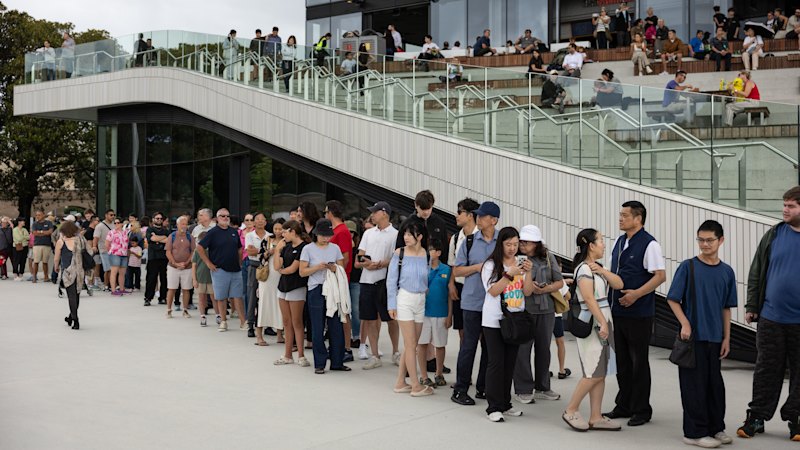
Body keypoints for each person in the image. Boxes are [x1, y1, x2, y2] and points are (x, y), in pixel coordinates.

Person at [737, 186, 800, 442]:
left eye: (791, 206)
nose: (784, 210)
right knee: (766, 369)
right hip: (771, 317)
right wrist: (752, 305)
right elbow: (756, 271)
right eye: (784, 205)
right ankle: (757, 417)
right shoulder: (774, 234)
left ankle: (795, 418)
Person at [667, 220, 736, 448]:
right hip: (693, 338)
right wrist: (685, 324)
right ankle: (694, 432)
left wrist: (727, 337)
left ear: (721, 240)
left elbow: (726, 307)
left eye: (709, 240)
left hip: (716, 338)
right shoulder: (688, 267)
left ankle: (716, 427)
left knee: (714, 385)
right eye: (701, 240)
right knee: (693, 386)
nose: (704, 244)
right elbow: (673, 299)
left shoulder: (727, 272)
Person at [604, 201, 666, 427]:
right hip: (617, 312)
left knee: (639, 362)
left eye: (625, 215)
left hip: (639, 313)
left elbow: (660, 276)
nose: (620, 219)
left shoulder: (650, 244)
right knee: (622, 361)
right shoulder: (620, 242)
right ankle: (624, 405)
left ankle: (642, 409)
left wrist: (636, 295)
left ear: (638, 219)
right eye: (620, 215)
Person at [562, 228, 625, 431]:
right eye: (601, 240)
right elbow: (588, 299)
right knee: (593, 370)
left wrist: (603, 270)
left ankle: (596, 416)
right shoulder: (583, 270)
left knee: (601, 369)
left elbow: (619, 283)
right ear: (591, 245)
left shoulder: (596, 268)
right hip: (594, 322)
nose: (604, 244)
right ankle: (571, 410)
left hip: (603, 319)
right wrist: (603, 323)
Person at [452, 201, 500, 406]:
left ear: (494, 220)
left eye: (482, 216)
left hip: (494, 302)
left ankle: (484, 387)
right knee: (468, 347)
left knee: (490, 348)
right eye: (477, 215)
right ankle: (460, 389)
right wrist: (478, 267)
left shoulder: (502, 242)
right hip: (471, 301)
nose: (477, 218)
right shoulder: (469, 242)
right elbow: (457, 271)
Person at [513, 225, 564, 404]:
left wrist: (546, 289)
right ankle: (523, 388)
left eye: (527, 242)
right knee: (523, 349)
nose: (523, 245)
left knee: (544, 348)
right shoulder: (518, 259)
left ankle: (543, 386)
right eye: (522, 242)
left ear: (537, 243)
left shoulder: (548, 257)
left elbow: (559, 281)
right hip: (524, 308)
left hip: (547, 308)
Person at [481, 227, 527, 422]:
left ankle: (505, 403)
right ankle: (493, 406)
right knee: (496, 363)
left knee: (510, 364)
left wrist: (528, 273)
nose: (512, 248)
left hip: (515, 319)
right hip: (494, 320)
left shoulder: (520, 263)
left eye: (516, 244)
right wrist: (510, 274)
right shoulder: (491, 265)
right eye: (508, 244)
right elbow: (492, 291)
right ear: (500, 244)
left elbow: (529, 291)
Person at [387, 220, 433, 396]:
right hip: (404, 299)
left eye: (409, 234)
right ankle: (415, 385)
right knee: (411, 344)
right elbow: (391, 281)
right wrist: (392, 304)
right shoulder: (399, 254)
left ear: (420, 237)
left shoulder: (426, 255)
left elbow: (426, 279)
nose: (405, 237)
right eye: (405, 234)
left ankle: (400, 382)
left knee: (411, 344)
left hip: (420, 300)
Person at [298, 219, 349, 374]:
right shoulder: (308, 248)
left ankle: (337, 361)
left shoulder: (335, 248)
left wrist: (333, 267)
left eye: (328, 235)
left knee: (336, 325)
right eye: (323, 235)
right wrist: (316, 267)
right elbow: (302, 272)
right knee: (317, 326)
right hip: (316, 288)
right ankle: (319, 363)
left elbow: (341, 267)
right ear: (316, 234)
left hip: (333, 288)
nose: (326, 238)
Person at [356, 201, 400, 369]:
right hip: (367, 280)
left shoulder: (396, 234)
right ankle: (374, 355)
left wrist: (383, 263)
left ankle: (396, 352)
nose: (372, 215)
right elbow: (360, 257)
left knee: (391, 318)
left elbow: (397, 258)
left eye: (374, 212)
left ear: (384, 213)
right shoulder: (368, 233)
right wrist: (366, 263)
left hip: (386, 282)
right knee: (370, 319)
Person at [196, 208, 244, 332]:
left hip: (235, 270)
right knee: (221, 298)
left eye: (227, 216)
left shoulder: (234, 232)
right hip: (220, 270)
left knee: (238, 297)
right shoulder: (212, 232)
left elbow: (239, 248)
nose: (225, 218)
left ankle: (243, 322)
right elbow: (200, 247)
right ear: (217, 218)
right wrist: (208, 263)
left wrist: (240, 263)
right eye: (222, 216)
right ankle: (223, 321)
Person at [273, 220, 310, 366]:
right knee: (286, 322)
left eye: (284, 231)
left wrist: (282, 270)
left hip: (297, 286)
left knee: (297, 322)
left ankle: (301, 355)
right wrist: (277, 250)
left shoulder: (304, 248)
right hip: (283, 286)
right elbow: (277, 266)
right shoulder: (286, 246)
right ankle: (288, 355)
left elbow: (292, 269)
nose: (282, 234)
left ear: (293, 231)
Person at [417, 238, 452, 388]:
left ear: (438, 252)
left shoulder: (447, 270)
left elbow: (451, 294)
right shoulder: (422, 269)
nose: (429, 253)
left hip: (441, 312)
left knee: (440, 344)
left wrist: (450, 315)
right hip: (423, 313)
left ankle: (439, 373)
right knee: (422, 343)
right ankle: (423, 375)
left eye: (431, 250)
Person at [324, 201, 354, 360]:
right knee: (335, 313)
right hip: (333, 277)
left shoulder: (342, 231)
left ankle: (347, 348)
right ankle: (338, 345)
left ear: (330, 213)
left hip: (339, 277)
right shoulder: (336, 230)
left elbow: (346, 257)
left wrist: (337, 273)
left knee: (343, 312)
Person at [448, 198, 480, 344]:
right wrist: (451, 284)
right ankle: (465, 363)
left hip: (479, 288)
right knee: (462, 330)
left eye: (460, 212)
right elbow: (452, 265)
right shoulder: (455, 238)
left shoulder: (484, 237)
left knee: (481, 331)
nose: (456, 215)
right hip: (460, 287)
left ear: (470, 215)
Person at [255, 220, 284, 345]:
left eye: (280, 229)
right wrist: (268, 253)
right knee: (263, 304)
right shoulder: (267, 240)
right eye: (276, 228)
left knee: (279, 305)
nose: (278, 231)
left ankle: (279, 334)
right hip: (267, 276)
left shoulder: (286, 241)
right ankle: (259, 336)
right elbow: (259, 257)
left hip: (280, 275)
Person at [54, 221, 87, 331]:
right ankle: (71, 317)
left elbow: (57, 258)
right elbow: (90, 251)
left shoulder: (61, 241)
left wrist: (56, 267)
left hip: (67, 271)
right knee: (76, 295)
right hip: (79, 270)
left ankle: (75, 319)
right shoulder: (81, 240)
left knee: (71, 296)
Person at [165, 216, 195, 319]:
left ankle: (185, 310)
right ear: (177, 225)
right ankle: (169, 310)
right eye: (182, 224)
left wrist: (186, 263)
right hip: (173, 267)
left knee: (186, 289)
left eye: (185, 224)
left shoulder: (190, 237)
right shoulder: (172, 236)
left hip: (187, 267)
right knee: (171, 288)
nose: (184, 226)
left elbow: (193, 251)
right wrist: (175, 263)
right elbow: (168, 251)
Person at [244, 213, 269, 336]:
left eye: (262, 219)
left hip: (267, 267)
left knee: (266, 297)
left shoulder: (270, 235)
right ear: (253, 222)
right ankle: (250, 325)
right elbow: (249, 251)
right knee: (252, 295)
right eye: (257, 219)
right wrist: (263, 251)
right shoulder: (249, 235)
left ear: (266, 222)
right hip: (253, 266)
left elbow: (271, 253)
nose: (259, 221)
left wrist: (258, 250)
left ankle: (267, 324)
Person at [192, 231, 218, 327]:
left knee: (214, 298)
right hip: (200, 278)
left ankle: (218, 315)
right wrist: (194, 279)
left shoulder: (213, 250)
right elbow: (194, 265)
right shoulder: (197, 250)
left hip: (212, 277)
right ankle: (202, 316)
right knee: (201, 298)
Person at [144, 212, 169, 306]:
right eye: (157, 218)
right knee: (151, 279)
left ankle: (163, 297)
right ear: (153, 219)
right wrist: (161, 239)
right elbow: (151, 239)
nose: (159, 220)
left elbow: (168, 240)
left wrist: (157, 238)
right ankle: (148, 298)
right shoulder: (149, 229)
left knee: (164, 279)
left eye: (160, 218)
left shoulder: (166, 230)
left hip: (163, 257)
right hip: (153, 257)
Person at [105, 218, 129, 296]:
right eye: (115, 223)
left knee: (122, 273)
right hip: (115, 253)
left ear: (122, 224)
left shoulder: (125, 232)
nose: (116, 224)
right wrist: (111, 251)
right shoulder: (111, 232)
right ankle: (113, 289)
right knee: (114, 272)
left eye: (118, 223)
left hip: (124, 254)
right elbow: (107, 244)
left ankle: (122, 289)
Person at [30, 210, 54, 284]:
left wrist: (39, 232)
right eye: (36, 215)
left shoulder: (49, 223)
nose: (37, 216)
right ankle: (34, 277)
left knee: (45, 262)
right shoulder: (34, 224)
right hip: (37, 245)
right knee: (36, 261)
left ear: (43, 215)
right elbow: (34, 233)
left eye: (39, 215)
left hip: (46, 244)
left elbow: (50, 232)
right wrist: (44, 232)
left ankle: (46, 277)